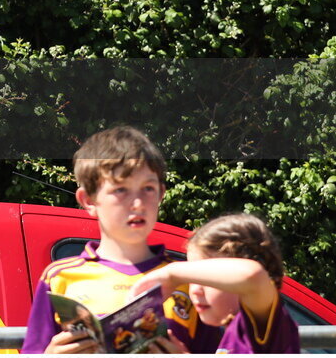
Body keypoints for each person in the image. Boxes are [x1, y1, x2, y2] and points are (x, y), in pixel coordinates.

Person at [21, 126, 214, 354]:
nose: (138, 203)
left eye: (148, 188)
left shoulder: (188, 278)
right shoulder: (58, 277)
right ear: (89, 200)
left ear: (161, 193)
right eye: (121, 189)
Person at [131, 213, 301, 354]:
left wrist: (171, 274)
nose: (195, 290)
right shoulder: (232, 332)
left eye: (205, 279)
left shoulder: (264, 325)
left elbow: (252, 275)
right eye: (192, 279)